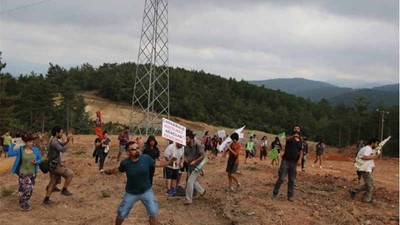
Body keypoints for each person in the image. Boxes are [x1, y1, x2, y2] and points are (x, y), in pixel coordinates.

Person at [104, 141, 176, 225]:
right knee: (121, 213)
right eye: (133, 149)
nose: (137, 150)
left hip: (146, 191)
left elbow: (158, 163)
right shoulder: (125, 163)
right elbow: (118, 169)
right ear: (128, 152)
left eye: (137, 148)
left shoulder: (146, 158)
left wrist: (169, 162)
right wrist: (110, 171)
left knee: (153, 212)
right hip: (131, 192)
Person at [8, 133, 42, 211]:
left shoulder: (36, 150)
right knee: (27, 188)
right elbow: (9, 154)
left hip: (33, 173)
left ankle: (22, 200)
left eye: (32, 142)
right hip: (23, 173)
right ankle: (24, 204)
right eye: (29, 142)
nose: (31, 143)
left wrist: (37, 161)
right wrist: (12, 144)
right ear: (25, 142)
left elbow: (40, 159)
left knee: (29, 188)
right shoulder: (21, 149)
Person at [43, 126, 74, 205]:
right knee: (70, 174)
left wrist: (66, 141)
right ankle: (64, 190)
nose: (62, 134)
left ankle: (46, 199)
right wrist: (68, 141)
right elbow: (62, 149)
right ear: (57, 133)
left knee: (53, 182)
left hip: (53, 165)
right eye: (61, 132)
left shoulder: (55, 140)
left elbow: (62, 144)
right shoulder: (54, 142)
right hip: (56, 166)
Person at [272, 125, 303, 202]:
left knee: (292, 180)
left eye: (298, 128)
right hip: (286, 161)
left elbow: (301, 151)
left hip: (294, 162)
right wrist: (293, 136)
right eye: (295, 128)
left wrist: (300, 160)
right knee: (281, 178)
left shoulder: (300, 140)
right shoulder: (290, 138)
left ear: (300, 131)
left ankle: (290, 196)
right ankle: (275, 193)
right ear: (293, 130)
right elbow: (287, 139)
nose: (296, 129)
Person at [349, 138, 380, 203]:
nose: (376, 145)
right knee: (370, 185)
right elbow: (364, 157)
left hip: (367, 169)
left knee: (369, 185)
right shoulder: (368, 149)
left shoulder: (368, 148)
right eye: (376, 143)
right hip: (366, 169)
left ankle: (353, 190)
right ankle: (366, 199)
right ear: (372, 143)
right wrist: (374, 157)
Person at [184, 130, 206, 205]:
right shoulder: (186, 147)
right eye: (185, 139)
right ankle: (202, 191)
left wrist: (195, 161)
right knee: (194, 181)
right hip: (189, 167)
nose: (185, 140)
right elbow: (186, 155)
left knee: (190, 182)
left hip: (197, 166)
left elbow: (203, 156)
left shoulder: (198, 146)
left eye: (187, 139)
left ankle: (189, 199)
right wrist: (186, 159)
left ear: (191, 139)